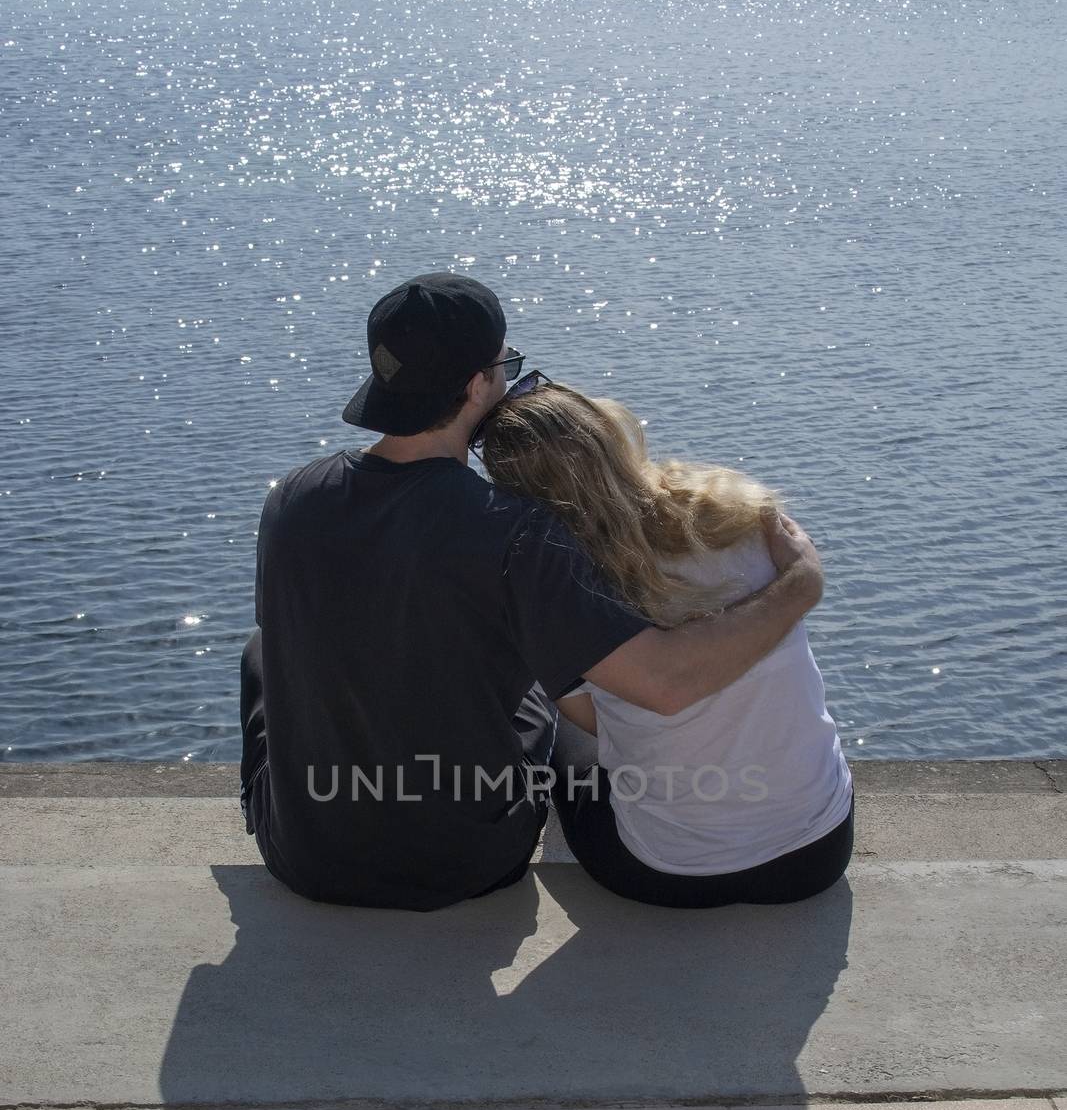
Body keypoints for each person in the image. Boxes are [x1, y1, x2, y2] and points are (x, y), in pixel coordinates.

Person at [239, 272, 825, 911]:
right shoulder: (514, 530)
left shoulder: (291, 499)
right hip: (470, 862)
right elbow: (665, 684)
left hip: (305, 859)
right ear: (475, 386)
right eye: (504, 365)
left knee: (262, 652)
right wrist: (798, 585)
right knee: (549, 700)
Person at [477, 377, 854, 909]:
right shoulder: (746, 519)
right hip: (816, 854)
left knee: (556, 717)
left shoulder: (565, 584)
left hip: (665, 873)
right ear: (608, 434)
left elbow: (597, 720)